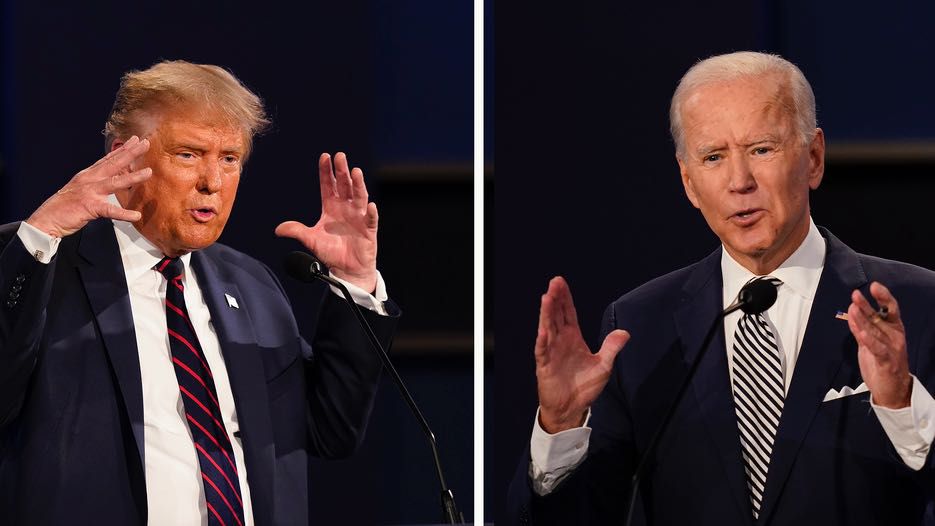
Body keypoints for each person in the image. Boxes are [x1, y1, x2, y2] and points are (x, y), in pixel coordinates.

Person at [508, 51, 935, 525]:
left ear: (813, 158)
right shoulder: (640, 327)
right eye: (714, 157)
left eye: (762, 149)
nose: (739, 181)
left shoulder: (918, 307)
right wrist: (561, 427)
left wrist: (900, 405)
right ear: (689, 183)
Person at [0, 60, 399, 525]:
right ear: (122, 157)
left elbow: (331, 430)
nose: (212, 182)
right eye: (188, 154)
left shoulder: (251, 286)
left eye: (229, 158)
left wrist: (353, 281)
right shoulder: (35, 261)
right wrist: (40, 234)